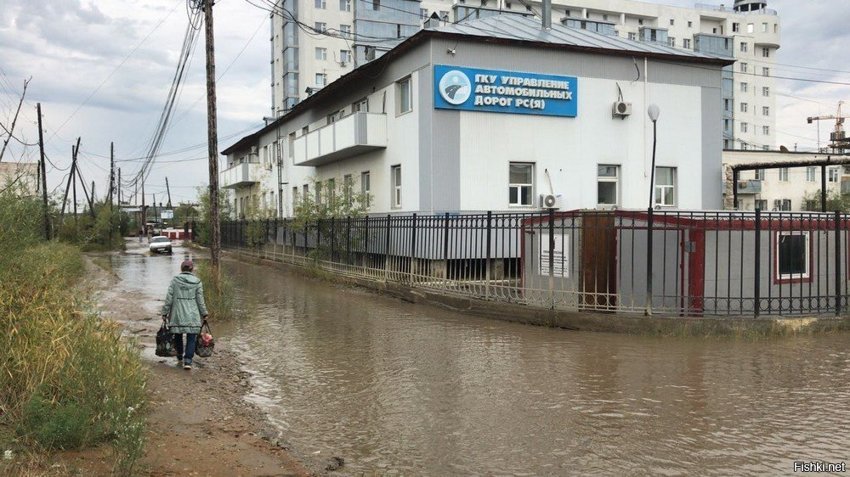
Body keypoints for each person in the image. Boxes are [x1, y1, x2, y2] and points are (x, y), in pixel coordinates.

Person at [161, 259, 208, 369]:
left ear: (181, 269)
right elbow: (200, 300)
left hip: (177, 314)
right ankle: (188, 361)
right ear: (192, 269)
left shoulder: (175, 280)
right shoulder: (197, 282)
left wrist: (164, 312)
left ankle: (179, 356)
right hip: (193, 314)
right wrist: (204, 313)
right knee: (191, 337)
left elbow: (169, 298)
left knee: (178, 335)